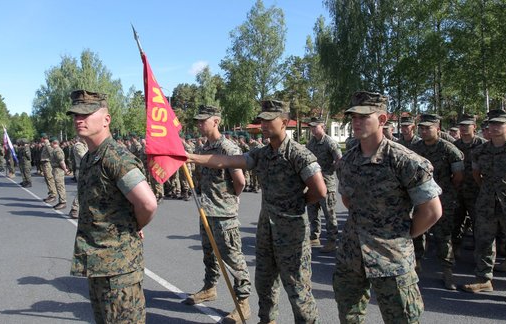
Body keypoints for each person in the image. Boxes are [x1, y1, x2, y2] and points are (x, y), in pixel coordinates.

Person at [188, 99, 326, 323]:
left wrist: (295, 204)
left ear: (283, 122)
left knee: (297, 289)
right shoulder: (261, 154)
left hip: (291, 233)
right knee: (265, 284)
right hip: (266, 231)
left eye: (269, 120)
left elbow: (320, 190)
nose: (263, 123)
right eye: (261, 119)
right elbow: (226, 160)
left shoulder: (298, 154)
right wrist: (191, 157)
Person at [334, 91, 443, 323]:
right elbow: (348, 201)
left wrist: (401, 235)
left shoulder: (405, 161)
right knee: (349, 317)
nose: (356, 122)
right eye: (353, 117)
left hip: (391, 261)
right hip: (351, 257)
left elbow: (432, 211)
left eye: (364, 117)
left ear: (382, 120)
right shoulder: (347, 162)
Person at [68, 89, 158, 323]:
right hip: (99, 265)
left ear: (106, 119)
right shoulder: (91, 157)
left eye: (86, 114)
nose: (79, 119)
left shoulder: (115, 157)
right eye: (76, 115)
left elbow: (147, 203)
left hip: (118, 270)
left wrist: (133, 225)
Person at [184, 105, 252, 323]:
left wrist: (230, 200)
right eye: (198, 120)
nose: (199, 124)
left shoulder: (227, 148)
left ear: (216, 121)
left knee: (233, 258)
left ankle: (243, 303)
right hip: (207, 210)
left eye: (203, 120)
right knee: (209, 254)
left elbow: (240, 181)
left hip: (223, 214)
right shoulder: (204, 149)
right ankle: (210, 288)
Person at [461, 109, 506, 307]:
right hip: (486, 202)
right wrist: (489, 191)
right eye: (491, 124)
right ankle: (484, 279)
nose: (494, 128)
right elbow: (477, 175)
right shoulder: (480, 151)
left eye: (499, 124)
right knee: (484, 242)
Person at [412, 113, 464, 290]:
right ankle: (416, 263)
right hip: (420, 198)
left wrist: (446, 192)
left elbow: (458, 176)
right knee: (418, 232)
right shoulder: (416, 148)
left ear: (438, 128)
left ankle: (447, 271)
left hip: (443, 198)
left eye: (428, 128)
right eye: (422, 128)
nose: (424, 131)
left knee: (443, 235)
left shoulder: (449, 149)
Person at [306, 116, 342, 252]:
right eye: (311, 127)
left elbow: (339, 160)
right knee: (312, 212)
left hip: (327, 184)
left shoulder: (329, 143)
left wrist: (330, 170)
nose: (313, 129)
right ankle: (314, 237)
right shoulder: (311, 143)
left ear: (323, 127)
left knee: (329, 214)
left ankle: (332, 241)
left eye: (315, 126)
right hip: (313, 183)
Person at [452, 114, 486, 258]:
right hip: (458, 190)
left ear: (474, 127)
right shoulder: (455, 146)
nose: (464, 128)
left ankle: (479, 254)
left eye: (467, 125)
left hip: (477, 191)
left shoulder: (483, 145)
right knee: (456, 221)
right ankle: (455, 249)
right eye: (461, 125)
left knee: (479, 224)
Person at [68, 137, 88, 218]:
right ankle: (74, 209)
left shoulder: (85, 144)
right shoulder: (78, 146)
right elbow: (84, 157)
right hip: (81, 170)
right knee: (81, 190)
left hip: (87, 169)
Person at [50, 137, 68, 210]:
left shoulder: (57, 150)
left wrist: (65, 169)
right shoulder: (55, 150)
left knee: (60, 186)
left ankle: (63, 202)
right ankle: (61, 201)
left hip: (58, 170)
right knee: (58, 186)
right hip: (56, 169)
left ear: (54, 143)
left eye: (51, 142)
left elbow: (61, 161)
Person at [39, 133, 57, 203]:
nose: (40, 139)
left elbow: (52, 153)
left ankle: (53, 195)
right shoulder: (45, 144)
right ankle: (51, 193)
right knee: (47, 179)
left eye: (41, 138)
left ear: (43, 138)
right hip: (45, 163)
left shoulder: (48, 144)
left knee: (49, 178)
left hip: (47, 163)